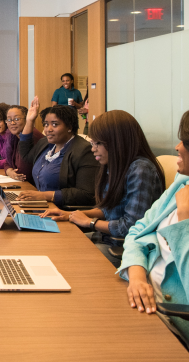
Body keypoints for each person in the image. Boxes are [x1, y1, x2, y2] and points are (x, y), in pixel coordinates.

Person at [41, 110, 165, 267]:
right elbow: (109, 210)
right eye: (93, 143)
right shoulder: (114, 165)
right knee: (53, 245)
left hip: (126, 249)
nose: (93, 149)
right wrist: (70, 214)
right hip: (107, 238)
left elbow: (131, 226)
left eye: (98, 143)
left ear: (119, 142)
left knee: (64, 260)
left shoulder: (141, 169)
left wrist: (90, 222)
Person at [119, 110, 189, 343]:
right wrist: (137, 277)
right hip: (138, 293)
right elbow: (138, 233)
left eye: (185, 142)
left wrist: (185, 219)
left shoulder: (184, 202)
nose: (178, 147)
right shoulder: (183, 182)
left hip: (171, 320)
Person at [16, 96, 98, 206]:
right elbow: (25, 155)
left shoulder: (84, 151)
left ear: (69, 126)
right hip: (42, 205)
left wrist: (45, 195)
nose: (48, 129)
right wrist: (29, 120)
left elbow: (87, 194)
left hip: (64, 212)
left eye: (55, 124)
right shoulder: (46, 143)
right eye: (46, 124)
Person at [3, 105, 44, 186]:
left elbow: (23, 173)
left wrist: (12, 172)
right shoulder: (13, 136)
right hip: (21, 183)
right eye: (9, 120)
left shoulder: (33, 137)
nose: (12, 123)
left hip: (33, 186)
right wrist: (10, 172)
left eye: (17, 119)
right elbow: (7, 162)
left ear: (27, 119)